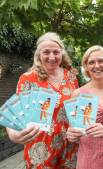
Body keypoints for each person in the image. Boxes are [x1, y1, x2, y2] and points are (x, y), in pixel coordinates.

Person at [6, 32, 79, 168]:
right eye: (46, 52)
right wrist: (13, 134)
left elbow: (76, 109)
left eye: (56, 52)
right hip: (40, 147)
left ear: (61, 54)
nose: (52, 57)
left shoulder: (71, 77)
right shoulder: (28, 78)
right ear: (39, 55)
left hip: (70, 146)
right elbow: (14, 111)